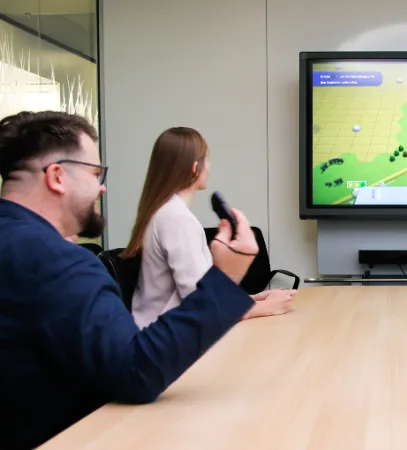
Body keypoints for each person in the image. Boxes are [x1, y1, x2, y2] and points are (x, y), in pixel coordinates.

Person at [0, 111, 260, 449]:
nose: (102, 187)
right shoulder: (55, 261)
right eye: (95, 173)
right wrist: (225, 277)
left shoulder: (26, 249)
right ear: (57, 176)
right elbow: (136, 373)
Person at [121, 127, 295, 328]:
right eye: (207, 160)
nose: (209, 167)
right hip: (170, 337)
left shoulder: (165, 213)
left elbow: (201, 295)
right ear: (195, 168)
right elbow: (201, 302)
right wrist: (264, 308)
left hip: (167, 330)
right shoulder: (177, 219)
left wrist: (252, 300)